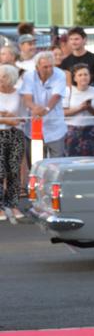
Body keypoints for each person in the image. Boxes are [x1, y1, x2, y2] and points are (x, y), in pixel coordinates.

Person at [19, 51, 68, 159]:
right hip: (34, 126)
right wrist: (34, 108)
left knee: (58, 162)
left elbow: (56, 96)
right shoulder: (28, 76)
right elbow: (27, 97)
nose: (49, 69)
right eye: (45, 67)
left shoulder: (60, 74)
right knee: (36, 162)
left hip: (55, 127)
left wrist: (45, 109)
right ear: (37, 67)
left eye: (51, 66)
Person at [0, 64, 25, 220]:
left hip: (16, 135)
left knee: (14, 171)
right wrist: (8, 119)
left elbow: (23, 118)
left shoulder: (19, 95)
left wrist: (8, 118)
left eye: (3, 77)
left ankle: (14, 205)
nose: (0, 80)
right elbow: (13, 120)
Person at [63, 63, 94, 157]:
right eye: (80, 75)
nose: (83, 77)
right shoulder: (68, 91)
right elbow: (63, 113)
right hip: (72, 131)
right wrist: (80, 108)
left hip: (92, 132)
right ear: (74, 78)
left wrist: (90, 108)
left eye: (86, 74)